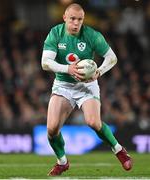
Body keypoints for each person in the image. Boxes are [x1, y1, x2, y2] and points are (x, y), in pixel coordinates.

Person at [41, 3, 133, 176]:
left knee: (93, 122)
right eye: (72, 19)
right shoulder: (55, 33)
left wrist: (98, 72)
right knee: (52, 129)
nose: (76, 23)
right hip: (63, 85)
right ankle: (62, 162)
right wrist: (68, 69)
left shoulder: (92, 35)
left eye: (80, 19)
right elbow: (45, 63)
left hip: (86, 85)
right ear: (65, 18)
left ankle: (119, 150)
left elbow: (111, 58)